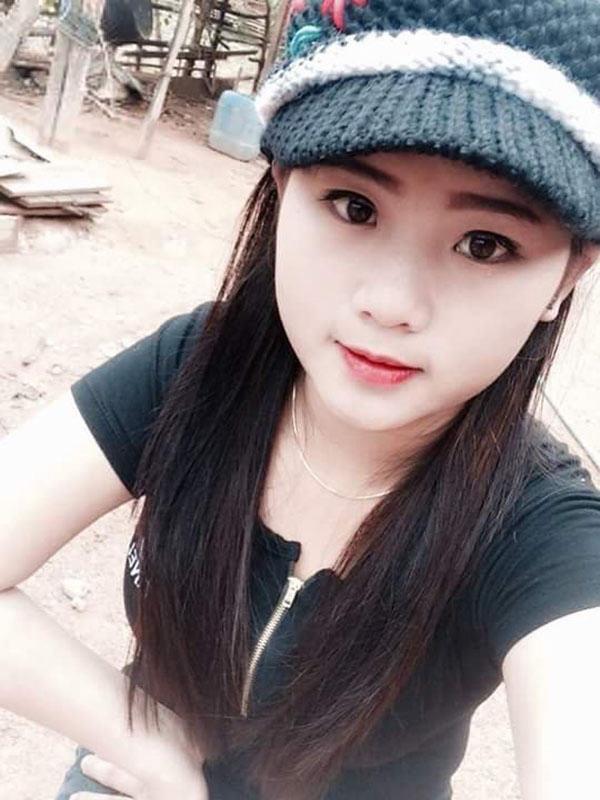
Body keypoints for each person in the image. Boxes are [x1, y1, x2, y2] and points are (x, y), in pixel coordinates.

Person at [1, 0, 600, 798]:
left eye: (484, 244)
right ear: (283, 185)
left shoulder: (539, 524)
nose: (390, 303)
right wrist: (143, 745)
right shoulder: (199, 369)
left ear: (566, 275)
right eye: (355, 206)